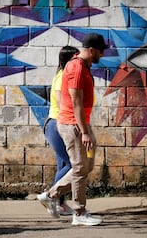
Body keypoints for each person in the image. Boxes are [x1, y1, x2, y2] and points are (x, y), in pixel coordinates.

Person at [37, 33, 108, 226]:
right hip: (72, 125)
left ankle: (51, 195)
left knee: (86, 166)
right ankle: (79, 212)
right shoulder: (76, 68)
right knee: (78, 167)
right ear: (91, 50)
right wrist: (84, 132)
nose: (102, 55)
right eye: (101, 51)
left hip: (81, 123)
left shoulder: (83, 66)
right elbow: (75, 102)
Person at [43, 45, 79, 216]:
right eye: (76, 58)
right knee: (74, 165)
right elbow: (61, 101)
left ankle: (60, 205)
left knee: (63, 165)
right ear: (69, 59)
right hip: (58, 125)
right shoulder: (62, 77)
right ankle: (50, 196)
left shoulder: (65, 75)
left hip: (57, 125)